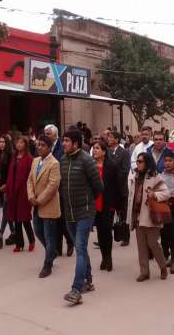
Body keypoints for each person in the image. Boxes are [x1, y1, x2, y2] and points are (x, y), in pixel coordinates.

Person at [61, 129, 103, 305]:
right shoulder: (63, 160)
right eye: (63, 140)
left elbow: (98, 187)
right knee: (82, 249)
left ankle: (76, 289)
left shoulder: (87, 160)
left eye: (67, 141)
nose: (63, 144)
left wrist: (87, 202)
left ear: (76, 144)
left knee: (79, 248)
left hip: (85, 213)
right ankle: (89, 281)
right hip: (69, 213)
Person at [127, 152, 170, 282]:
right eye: (137, 161)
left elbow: (167, 193)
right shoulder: (134, 176)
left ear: (147, 163)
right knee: (141, 245)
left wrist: (155, 195)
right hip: (138, 215)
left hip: (151, 215)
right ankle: (144, 272)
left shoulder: (155, 176)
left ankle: (163, 266)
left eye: (140, 161)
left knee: (153, 244)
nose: (138, 164)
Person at [27, 135, 61, 278]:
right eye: (38, 145)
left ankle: (47, 265)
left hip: (48, 205)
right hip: (36, 204)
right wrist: (30, 196)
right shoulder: (35, 161)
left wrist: (39, 200)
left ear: (49, 147)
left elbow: (53, 186)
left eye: (42, 145)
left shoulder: (54, 163)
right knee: (38, 231)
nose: (39, 147)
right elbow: (29, 180)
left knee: (49, 235)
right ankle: (52, 251)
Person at [92, 140, 121, 272]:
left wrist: (117, 205)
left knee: (107, 231)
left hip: (108, 204)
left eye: (97, 148)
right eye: (94, 148)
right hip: (94, 204)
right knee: (99, 232)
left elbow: (118, 186)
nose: (95, 150)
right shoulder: (91, 165)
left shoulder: (112, 166)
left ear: (104, 152)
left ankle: (108, 258)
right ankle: (103, 257)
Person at [45, 124, 74, 257]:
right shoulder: (45, 147)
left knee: (62, 219)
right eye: (45, 133)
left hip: (61, 187)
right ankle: (57, 247)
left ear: (55, 135)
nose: (46, 136)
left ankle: (69, 242)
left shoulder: (62, 147)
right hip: (49, 187)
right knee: (54, 219)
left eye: (48, 134)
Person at [6, 136, 35, 252]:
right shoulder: (14, 157)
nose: (18, 144)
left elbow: (31, 177)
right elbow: (10, 174)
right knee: (16, 219)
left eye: (21, 143)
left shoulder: (29, 159)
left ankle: (31, 240)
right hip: (13, 191)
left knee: (25, 218)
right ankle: (19, 244)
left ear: (25, 145)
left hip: (23, 192)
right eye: (17, 142)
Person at [107, 131, 131, 246]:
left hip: (120, 189)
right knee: (109, 215)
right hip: (110, 190)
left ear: (116, 139)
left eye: (111, 137)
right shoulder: (107, 152)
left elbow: (125, 171)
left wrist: (113, 177)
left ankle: (125, 237)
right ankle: (108, 237)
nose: (108, 139)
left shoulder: (124, 153)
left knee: (122, 214)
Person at [0, 135, 15, 249]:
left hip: (9, 187)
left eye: (3, 142)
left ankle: (0, 235)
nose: (1, 144)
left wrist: (6, 185)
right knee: (8, 211)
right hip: (0, 187)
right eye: (0, 141)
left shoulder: (11, 155)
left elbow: (11, 172)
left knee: (6, 211)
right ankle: (14, 233)